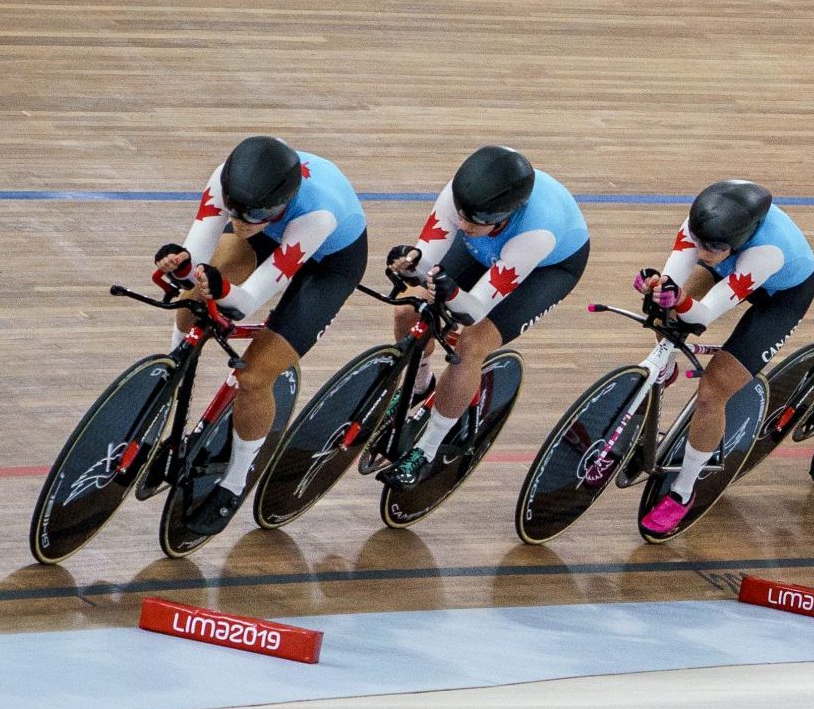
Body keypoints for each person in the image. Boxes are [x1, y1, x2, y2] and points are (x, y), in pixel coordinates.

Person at [153, 135, 368, 536]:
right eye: (236, 211)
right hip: (274, 233)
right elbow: (195, 256)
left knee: (254, 377)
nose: (241, 222)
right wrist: (184, 270)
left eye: (257, 213)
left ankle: (235, 482)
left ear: (281, 203)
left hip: (330, 263)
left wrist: (219, 287)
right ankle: (173, 399)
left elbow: (246, 301)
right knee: (190, 306)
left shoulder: (318, 212)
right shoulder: (226, 183)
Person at [378, 145, 591, 487]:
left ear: (504, 215)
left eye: (473, 220)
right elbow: (428, 252)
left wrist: (451, 291)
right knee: (408, 308)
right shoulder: (464, 200)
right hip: (487, 245)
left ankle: (427, 451)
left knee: (471, 344)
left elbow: (474, 309)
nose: (462, 224)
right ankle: (418, 388)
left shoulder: (537, 232)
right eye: (461, 215)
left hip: (546, 268)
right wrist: (410, 262)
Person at [633, 180, 814, 533]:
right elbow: (673, 281)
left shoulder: (767, 252)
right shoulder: (702, 232)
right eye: (700, 243)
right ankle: (666, 363)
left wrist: (680, 300)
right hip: (733, 263)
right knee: (664, 313)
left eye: (713, 247)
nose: (703, 251)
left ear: (741, 236)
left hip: (781, 296)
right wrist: (657, 287)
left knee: (713, 390)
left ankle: (684, 492)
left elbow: (703, 314)